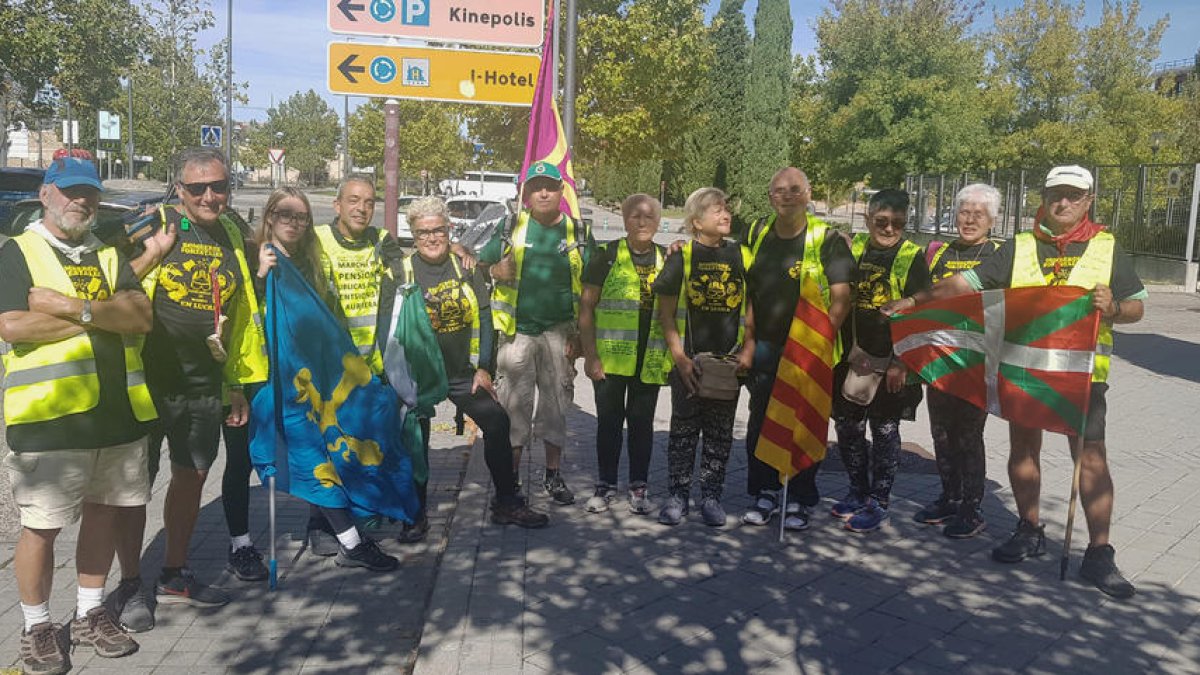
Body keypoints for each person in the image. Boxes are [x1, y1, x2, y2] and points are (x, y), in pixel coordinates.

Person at [887, 165, 1145, 598]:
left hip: (1081, 377)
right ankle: (1029, 529)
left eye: (1073, 195)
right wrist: (916, 300)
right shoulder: (1019, 247)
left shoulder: (1107, 245)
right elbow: (965, 285)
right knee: (1024, 449)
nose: (1063, 203)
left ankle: (1099, 553)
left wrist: (1115, 307)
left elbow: (1137, 307)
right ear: (1043, 198)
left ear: (1088, 200)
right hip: (1023, 370)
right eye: (1055, 194)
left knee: (1092, 461)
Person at [0, 158, 153, 673]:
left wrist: (70, 308)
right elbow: (14, 326)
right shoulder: (18, 252)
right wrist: (101, 316)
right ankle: (36, 625)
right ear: (46, 195)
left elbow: (141, 316)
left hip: (118, 413)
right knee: (41, 528)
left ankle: (90, 613)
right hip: (50, 418)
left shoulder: (107, 253)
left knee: (104, 514)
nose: (80, 202)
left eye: (88, 193)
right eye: (69, 192)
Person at [126, 147, 266, 612]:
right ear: (179, 188)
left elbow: (240, 313)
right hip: (146, 378)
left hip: (204, 380)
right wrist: (149, 255)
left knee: (192, 475)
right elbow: (112, 285)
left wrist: (235, 383)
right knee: (130, 486)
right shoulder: (154, 221)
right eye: (198, 188)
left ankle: (174, 572)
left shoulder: (231, 231)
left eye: (219, 186)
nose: (210, 196)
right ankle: (128, 586)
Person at [258, 186, 399, 571]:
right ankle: (351, 543)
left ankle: (324, 526)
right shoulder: (266, 259)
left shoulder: (305, 258)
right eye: (285, 214)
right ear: (270, 216)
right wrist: (259, 274)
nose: (294, 222)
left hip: (310, 374)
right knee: (311, 455)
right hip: (277, 377)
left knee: (323, 450)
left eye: (301, 216)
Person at [400, 197, 549, 528]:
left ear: (448, 229)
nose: (431, 238)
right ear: (413, 234)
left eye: (438, 230)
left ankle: (507, 502)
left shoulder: (464, 267)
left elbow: (484, 317)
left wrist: (484, 368)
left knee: (496, 422)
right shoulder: (402, 270)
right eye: (423, 232)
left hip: (461, 372)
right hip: (419, 373)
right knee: (415, 439)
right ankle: (415, 514)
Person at [739, 168, 854, 531]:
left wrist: (819, 343)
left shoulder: (827, 239)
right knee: (762, 420)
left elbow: (841, 298)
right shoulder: (758, 234)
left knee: (805, 422)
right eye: (778, 190)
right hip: (767, 349)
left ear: (808, 195)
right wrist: (749, 342)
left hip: (809, 351)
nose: (786, 196)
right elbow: (748, 291)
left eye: (794, 190)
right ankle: (766, 491)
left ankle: (801, 497)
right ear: (770, 196)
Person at [478, 161, 595, 506]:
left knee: (556, 406)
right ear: (525, 194)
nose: (544, 192)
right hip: (517, 335)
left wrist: (585, 340)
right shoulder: (510, 226)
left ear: (562, 192)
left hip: (561, 333)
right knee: (514, 407)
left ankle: (552, 476)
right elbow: (476, 264)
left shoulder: (578, 232)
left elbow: (592, 290)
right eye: (536, 187)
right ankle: (512, 480)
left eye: (551, 186)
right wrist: (495, 269)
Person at [652, 187, 755, 527]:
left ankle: (712, 497)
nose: (725, 214)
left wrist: (749, 347)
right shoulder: (681, 256)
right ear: (696, 222)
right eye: (716, 211)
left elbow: (753, 304)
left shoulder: (743, 254)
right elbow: (665, 313)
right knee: (683, 433)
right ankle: (677, 496)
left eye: (726, 209)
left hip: (728, 364)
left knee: (719, 436)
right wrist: (679, 357)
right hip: (690, 363)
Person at [830, 188, 930, 533]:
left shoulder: (912, 256)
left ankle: (879, 501)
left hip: (890, 360)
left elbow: (923, 310)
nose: (889, 229)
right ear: (868, 218)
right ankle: (857, 490)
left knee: (885, 431)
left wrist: (903, 362)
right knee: (847, 426)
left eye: (897, 223)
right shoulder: (852, 247)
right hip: (850, 357)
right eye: (881, 221)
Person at [910, 183, 1002, 539]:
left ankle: (972, 507)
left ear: (992, 219)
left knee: (968, 434)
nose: (970, 219)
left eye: (979, 214)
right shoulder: (936, 253)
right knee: (941, 432)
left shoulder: (999, 254)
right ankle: (949, 496)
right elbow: (918, 299)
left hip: (978, 361)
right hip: (939, 357)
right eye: (965, 211)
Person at [578, 194, 670, 515]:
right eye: (635, 216)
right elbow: (586, 308)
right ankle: (604, 485)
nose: (642, 222)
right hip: (610, 358)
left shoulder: (668, 259)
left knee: (642, 424)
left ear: (659, 223)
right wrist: (590, 356)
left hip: (650, 359)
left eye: (649, 217)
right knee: (609, 424)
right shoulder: (605, 256)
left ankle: (639, 486)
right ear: (624, 219)